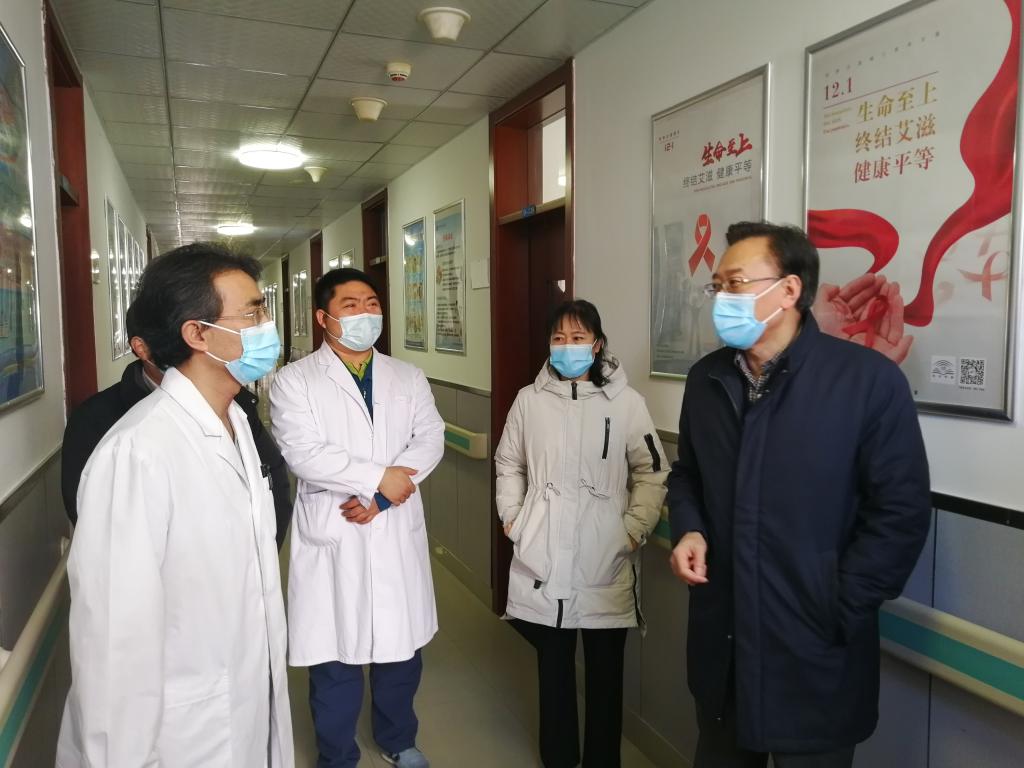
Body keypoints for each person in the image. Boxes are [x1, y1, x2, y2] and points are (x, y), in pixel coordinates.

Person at [667, 222, 931, 768]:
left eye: (735, 283)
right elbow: (687, 474)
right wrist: (689, 527)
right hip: (724, 650)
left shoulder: (867, 381)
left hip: (815, 653)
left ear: (789, 289)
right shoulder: (707, 381)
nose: (721, 298)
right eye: (717, 286)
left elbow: (899, 514)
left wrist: (838, 606)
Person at [56, 243, 294, 767]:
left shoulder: (235, 422)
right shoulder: (137, 452)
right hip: (180, 731)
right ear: (197, 333)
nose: (267, 326)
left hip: (241, 699)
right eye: (252, 313)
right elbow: (115, 641)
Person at [270, 267, 444, 768]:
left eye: (371, 303)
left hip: (391, 522)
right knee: (334, 654)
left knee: (400, 648)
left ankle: (398, 739)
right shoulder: (294, 381)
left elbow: (430, 438)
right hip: (335, 526)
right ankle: (337, 754)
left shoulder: (407, 376)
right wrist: (378, 479)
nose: (366, 313)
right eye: (350, 305)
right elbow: (303, 453)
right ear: (323, 318)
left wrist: (383, 497)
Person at [495, 299, 668, 768]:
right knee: (553, 671)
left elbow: (652, 471)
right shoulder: (529, 401)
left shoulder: (626, 404)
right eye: (558, 338)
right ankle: (558, 757)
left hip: (604, 556)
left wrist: (632, 531)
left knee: (606, 677)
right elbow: (509, 463)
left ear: (597, 344)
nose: (567, 346)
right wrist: (514, 518)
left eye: (577, 337)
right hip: (544, 554)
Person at [60, 303, 293, 548]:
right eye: (171, 339)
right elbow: (96, 525)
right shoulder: (97, 419)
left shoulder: (236, 402)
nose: (186, 347)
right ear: (141, 348)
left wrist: (261, 555)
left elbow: (274, 479)